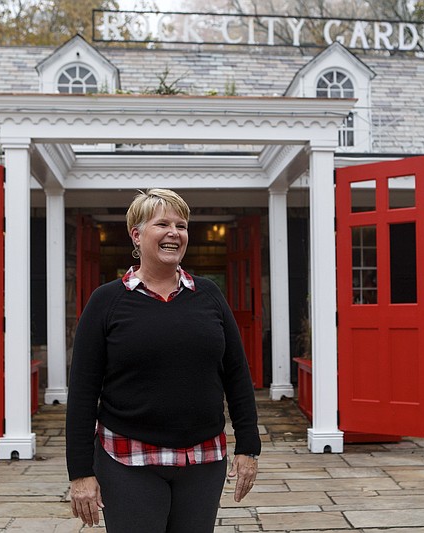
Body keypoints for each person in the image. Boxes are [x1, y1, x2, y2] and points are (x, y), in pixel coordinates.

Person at [66, 188, 261, 532]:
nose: (175, 232)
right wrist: (81, 472)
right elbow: (83, 392)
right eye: (163, 224)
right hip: (127, 457)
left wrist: (249, 446)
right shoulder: (106, 301)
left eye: (181, 225)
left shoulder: (209, 295)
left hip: (204, 459)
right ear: (137, 235)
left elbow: (236, 373)